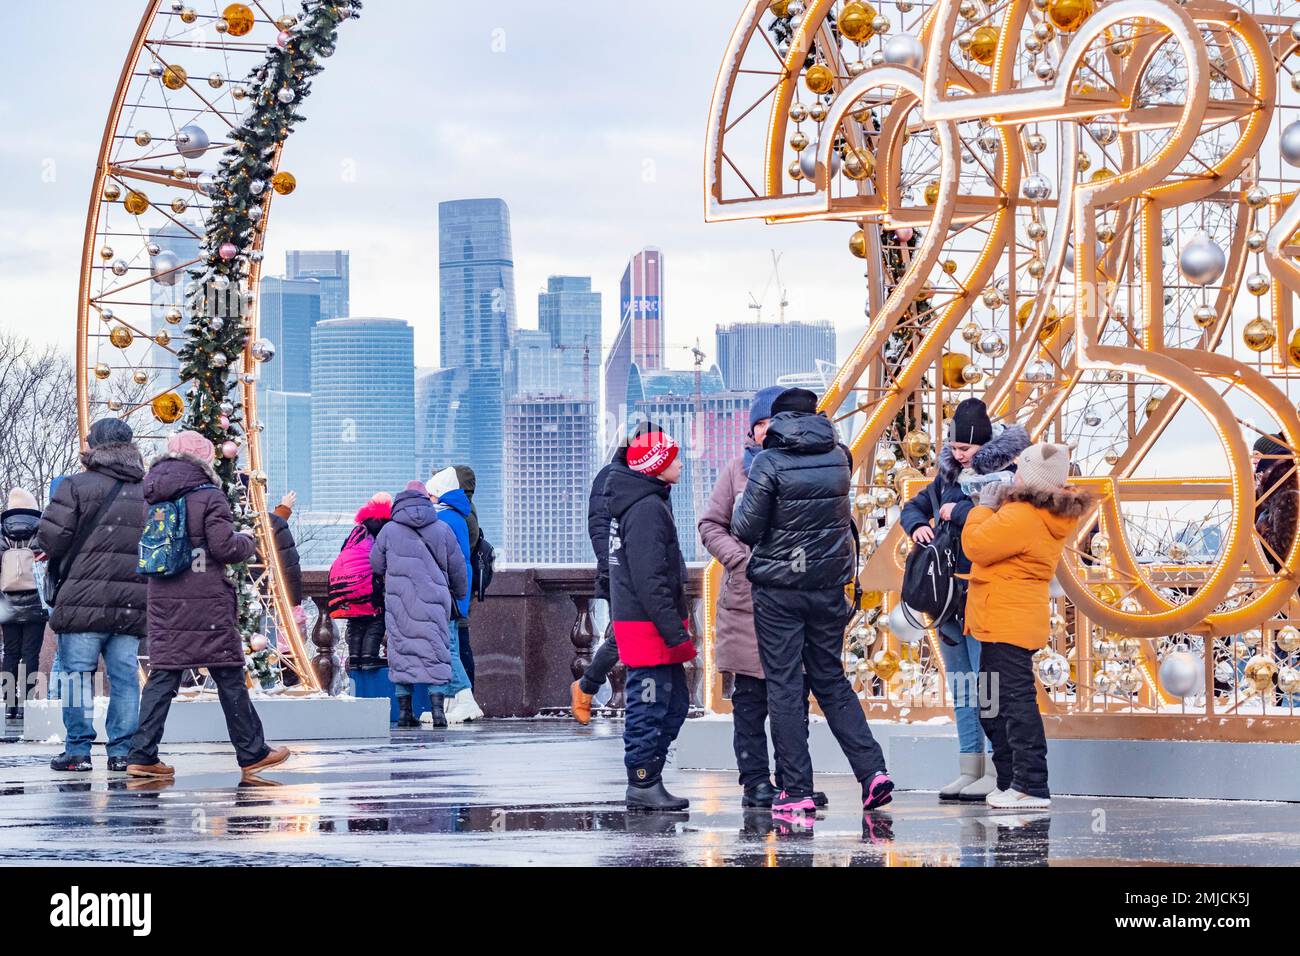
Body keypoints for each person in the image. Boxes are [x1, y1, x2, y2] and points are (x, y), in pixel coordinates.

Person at [732, 387, 893, 818]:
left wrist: (741, 507)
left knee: (784, 685)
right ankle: (872, 772)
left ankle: (796, 789)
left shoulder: (769, 462)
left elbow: (745, 529)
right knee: (832, 680)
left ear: (779, 420)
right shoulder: (839, 456)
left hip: (780, 591)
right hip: (828, 587)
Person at [126, 431, 290, 779]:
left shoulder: (151, 496)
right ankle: (252, 752)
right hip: (206, 601)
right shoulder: (210, 496)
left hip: (164, 598)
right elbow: (223, 548)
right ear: (205, 460)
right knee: (229, 675)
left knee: (164, 675)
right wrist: (246, 541)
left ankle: (142, 754)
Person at [698, 386, 826, 809]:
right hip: (747, 601)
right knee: (750, 700)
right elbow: (711, 524)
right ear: (753, 430)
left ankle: (794, 781)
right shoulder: (737, 471)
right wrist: (741, 562)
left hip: (793, 596)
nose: (770, 431)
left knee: (792, 695)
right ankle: (755, 781)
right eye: (763, 424)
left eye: (776, 423)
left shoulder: (809, 468)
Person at [899, 398, 1029, 801]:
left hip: (981, 590)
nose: (959, 455)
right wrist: (918, 524)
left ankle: (996, 767)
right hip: (947, 595)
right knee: (962, 684)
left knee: (986, 683)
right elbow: (914, 506)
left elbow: (999, 526)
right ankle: (969, 764)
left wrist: (957, 513)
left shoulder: (1006, 476)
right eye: (955, 448)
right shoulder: (946, 476)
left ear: (984, 444)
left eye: (966, 450)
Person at [962, 442, 1089, 810]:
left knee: (1012, 704)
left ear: (1030, 477)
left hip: (1005, 619)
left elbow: (977, 546)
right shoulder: (1039, 513)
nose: (1013, 475)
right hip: (1003, 618)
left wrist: (982, 508)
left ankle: (1030, 785)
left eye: (1020, 470)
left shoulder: (1023, 516)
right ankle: (1011, 781)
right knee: (993, 703)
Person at [36, 418, 148, 773]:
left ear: (94, 446)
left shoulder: (76, 485)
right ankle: (121, 751)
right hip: (131, 600)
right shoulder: (148, 491)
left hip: (82, 597)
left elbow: (51, 539)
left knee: (76, 676)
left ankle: (78, 751)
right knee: (125, 678)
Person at [607, 428, 696, 811]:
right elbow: (650, 579)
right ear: (656, 466)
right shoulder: (645, 509)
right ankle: (642, 780)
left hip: (650, 622)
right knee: (650, 703)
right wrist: (676, 634)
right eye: (673, 457)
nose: (680, 463)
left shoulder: (648, 501)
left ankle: (650, 774)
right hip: (648, 625)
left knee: (673, 703)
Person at [571, 419, 663, 725]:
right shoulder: (612, 477)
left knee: (636, 636)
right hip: (622, 570)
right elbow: (600, 527)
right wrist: (614, 564)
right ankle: (589, 686)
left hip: (647, 570)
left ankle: (638, 698)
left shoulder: (652, 478)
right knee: (626, 636)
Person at [370, 480, 468, 728]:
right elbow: (458, 569)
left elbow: (376, 564)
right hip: (434, 602)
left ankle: (404, 713)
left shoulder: (389, 530)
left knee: (402, 652)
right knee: (436, 652)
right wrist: (458, 593)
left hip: (400, 601)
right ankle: (438, 713)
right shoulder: (442, 528)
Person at [427, 467, 482, 723]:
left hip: (445, 591)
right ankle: (450, 704)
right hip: (454, 590)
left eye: (430, 495)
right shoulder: (458, 516)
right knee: (451, 647)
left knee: (447, 648)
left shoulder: (445, 519)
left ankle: (467, 701)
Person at [329, 492, 392, 670]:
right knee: (376, 617)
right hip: (367, 582)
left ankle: (355, 658)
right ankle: (368, 657)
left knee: (356, 620)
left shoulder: (359, 529)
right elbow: (381, 558)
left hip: (344, 585)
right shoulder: (386, 527)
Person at [1, 488, 49, 721]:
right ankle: (28, 704)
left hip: (6, 602)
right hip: (35, 601)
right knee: (31, 653)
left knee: (10, 652)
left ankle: (9, 703)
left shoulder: (1, 533)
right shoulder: (42, 531)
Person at [452, 465, 481, 686]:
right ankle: (465, 692)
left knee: (459, 643)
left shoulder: (463, 513)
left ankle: (465, 693)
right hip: (460, 583)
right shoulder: (465, 509)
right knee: (459, 642)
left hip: (457, 585)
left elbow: (459, 552)